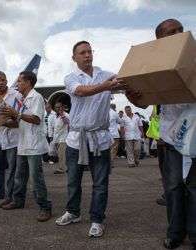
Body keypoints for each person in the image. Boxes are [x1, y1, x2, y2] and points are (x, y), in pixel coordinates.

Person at [126, 18, 196, 249]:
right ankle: (175, 232)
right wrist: (132, 95)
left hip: (194, 136)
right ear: (159, 39)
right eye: (170, 32)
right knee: (174, 187)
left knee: (194, 188)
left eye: (179, 30)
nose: (177, 34)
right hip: (171, 138)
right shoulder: (153, 65)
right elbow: (144, 102)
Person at [55, 41, 124, 237]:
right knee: (73, 180)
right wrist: (106, 86)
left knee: (100, 182)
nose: (87, 55)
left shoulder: (107, 74)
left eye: (89, 51)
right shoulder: (71, 78)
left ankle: (97, 219)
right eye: (82, 53)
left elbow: (126, 81)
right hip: (76, 139)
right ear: (74, 57)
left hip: (100, 139)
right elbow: (80, 91)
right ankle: (73, 212)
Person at [1, 71, 52, 222]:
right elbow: (18, 122)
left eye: (20, 81)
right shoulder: (21, 99)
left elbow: (36, 119)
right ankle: (18, 200)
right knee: (19, 175)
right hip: (23, 143)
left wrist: (16, 114)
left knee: (36, 178)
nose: (17, 84)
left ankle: (45, 207)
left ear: (28, 82)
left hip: (34, 145)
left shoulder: (36, 97)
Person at [0, 71, 20, 205]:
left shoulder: (16, 95)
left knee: (12, 169)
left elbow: (18, 116)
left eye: (3, 80)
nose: (1, 83)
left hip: (12, 138)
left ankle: (10, 195)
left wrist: (4, 121)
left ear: (7, 81)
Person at [52, 102, 70, 174]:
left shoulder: (66, 115)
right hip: (57, 138)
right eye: (57, 107)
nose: (58, 109)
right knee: (60, 154)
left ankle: (62, 168)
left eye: (59, 107)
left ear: (63, 107)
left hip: (63, 139)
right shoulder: (56, 116)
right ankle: (63, 167)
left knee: (62, 154)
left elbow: (68, 122)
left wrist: (62, 115)